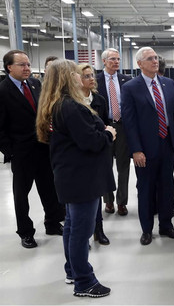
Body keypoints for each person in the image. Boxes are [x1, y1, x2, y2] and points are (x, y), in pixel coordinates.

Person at [36, 59, 116, 298]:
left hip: (71, 174)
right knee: (81, 230)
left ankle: (72, 270)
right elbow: (90, 141)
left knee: (72, 226)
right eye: (76, 74)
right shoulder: (70, 106)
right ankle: (84, 282)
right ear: (67, 78)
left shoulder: (58, 104)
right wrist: (108, 133)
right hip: (82, 177)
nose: (81, 78)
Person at [121, 47, 174, 245]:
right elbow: (129, 122)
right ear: (140, 64)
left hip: (167, 143)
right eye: (150, 59)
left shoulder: (167, 84)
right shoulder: (131, 87)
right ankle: (147, 230)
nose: (155, 61)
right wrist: (136, 150)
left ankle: (166, 225)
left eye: (156, 58)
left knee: (167, 186)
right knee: (146, 188)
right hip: (145, 148)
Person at [0, 50, 64, 249]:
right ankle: (26, 232)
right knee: (22, 194)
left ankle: (52, 223)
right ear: (9, 67)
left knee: (49, 189)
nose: (27, 68)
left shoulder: (35, 84)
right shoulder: (2, 90)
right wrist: (10, 151)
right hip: (21, 151)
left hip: (43, 147)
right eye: (22, 65)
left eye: (28, 64)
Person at [78, 63, 111, 245]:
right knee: (82, 199)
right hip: (81, 156)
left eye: (92, 75)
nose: (91, 79)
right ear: (77, 79)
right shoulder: (73, 103)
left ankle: (98, 230)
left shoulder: (99, 100)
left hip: (98, 152)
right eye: (86, 76)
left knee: (97, 194)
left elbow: (105, 124)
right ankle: (83, 235)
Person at [96, 48, 132, 216]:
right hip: (103, 127)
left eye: (118, 59)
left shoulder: (126, 80)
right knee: (105, 166)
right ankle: (108, 201)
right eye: (112, 59)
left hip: (122, 127)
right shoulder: (95, 80)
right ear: (104, 61)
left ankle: (122, 202)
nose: (116, 62)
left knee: (123, 166)